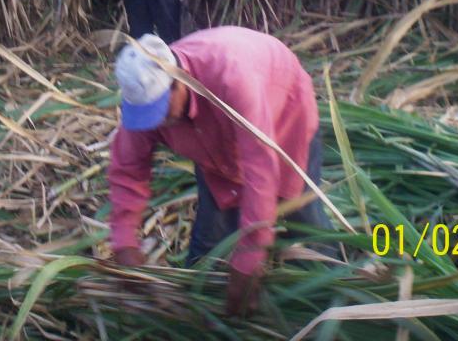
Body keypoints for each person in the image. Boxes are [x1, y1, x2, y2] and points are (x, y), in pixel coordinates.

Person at [107, 27, 331, 317]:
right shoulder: (144, 98)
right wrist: (124, 241)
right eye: (148, 115)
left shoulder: (231, 79)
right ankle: (200, 316)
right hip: (214, 144)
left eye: (160, 111)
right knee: (209, 245)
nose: (156, 123)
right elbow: (128, 169)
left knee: (303, 219)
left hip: (284, 116)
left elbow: (260, 170)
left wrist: (249, 259)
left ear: (177, 82)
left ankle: (330, 297)